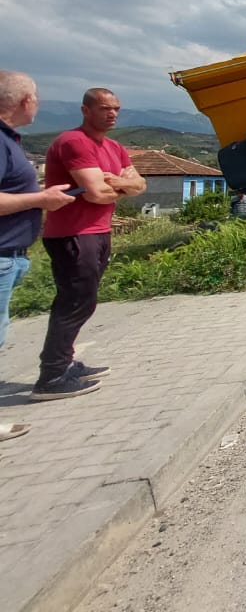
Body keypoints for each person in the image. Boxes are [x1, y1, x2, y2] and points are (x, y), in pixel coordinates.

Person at [33, 88, 147, 401]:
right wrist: (116, 185)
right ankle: (52, 375)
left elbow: (140, 185)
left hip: (97, 231)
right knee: (75, 302)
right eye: (104, 108)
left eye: (116, 109)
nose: (112, 114)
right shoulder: (73, 142)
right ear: (85, 110)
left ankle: (65, 362)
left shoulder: (114, 146)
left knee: (84, 300)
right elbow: (97, 192)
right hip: (72, 233)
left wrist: (118, 182)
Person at [0, 73, 77, 437]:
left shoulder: (9, 141)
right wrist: (40, 200)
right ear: (24, 101)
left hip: (11, 253)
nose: (38, 103)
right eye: (36, 96)